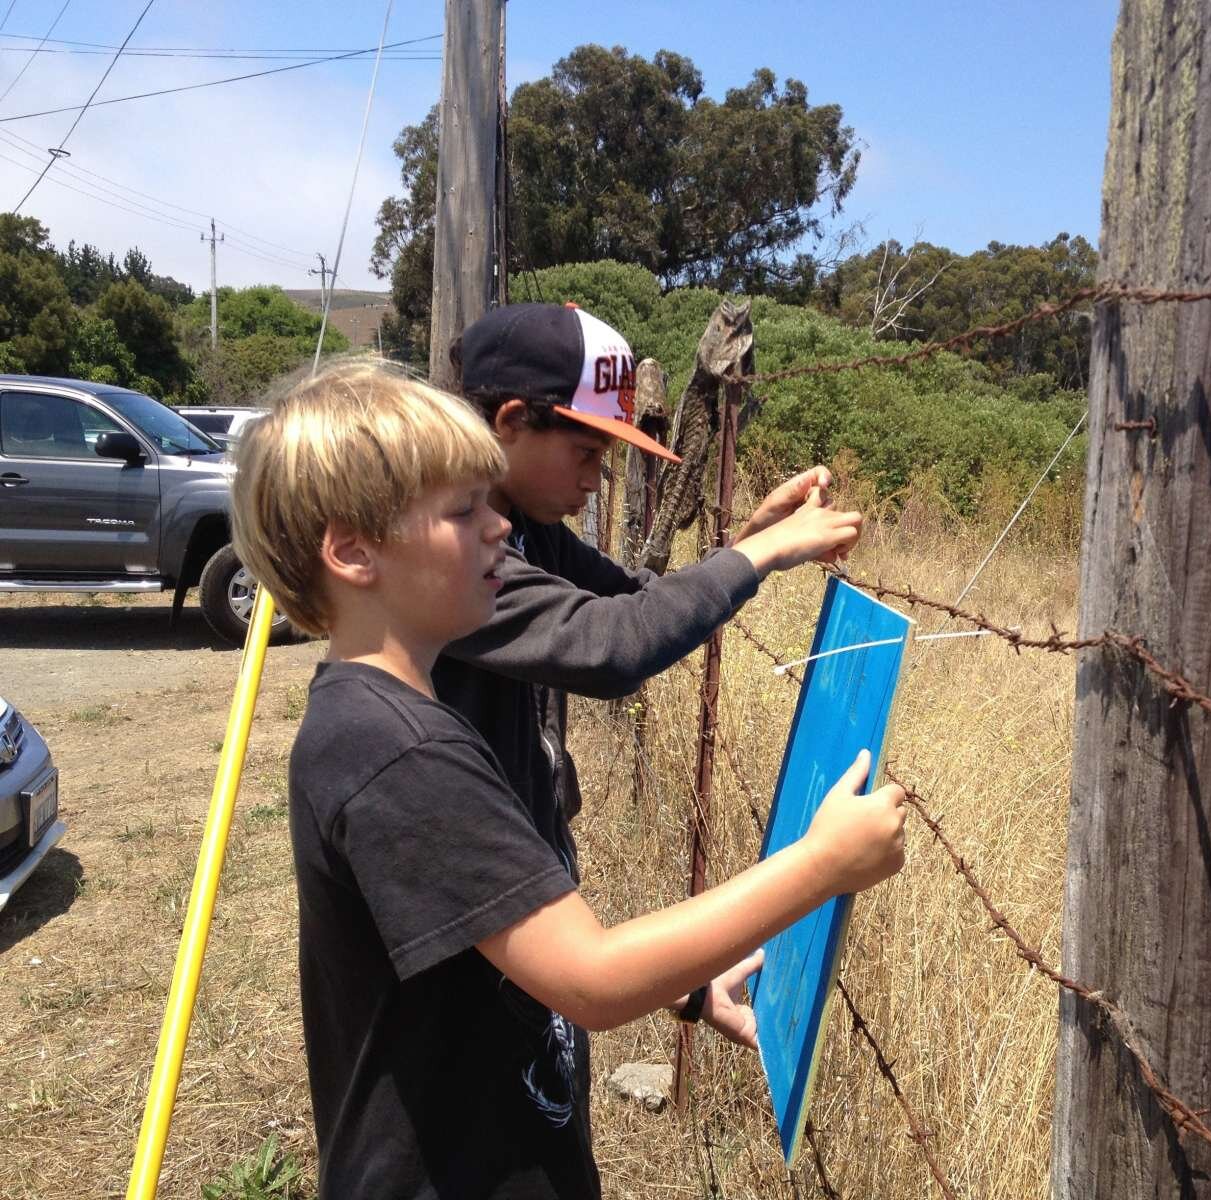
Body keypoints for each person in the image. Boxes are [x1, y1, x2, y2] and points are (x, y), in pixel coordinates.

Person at [229, 359, 907, 1199]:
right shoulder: (399, 753)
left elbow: (500, 932)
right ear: (353, 551)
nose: (499, 530)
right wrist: (822, 864)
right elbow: (590, 977)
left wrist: (691, 989)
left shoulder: (388, 719)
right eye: (463, 510)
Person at [431, 303, 859, 1072]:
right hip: (458, 984)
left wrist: (749, 543)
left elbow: (630, 598)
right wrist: (757, 560)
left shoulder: (523, 527)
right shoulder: (451, 564)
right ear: (510, 422)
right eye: (587, 453)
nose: (596, 483)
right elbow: (614, 645)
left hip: (514, 940)